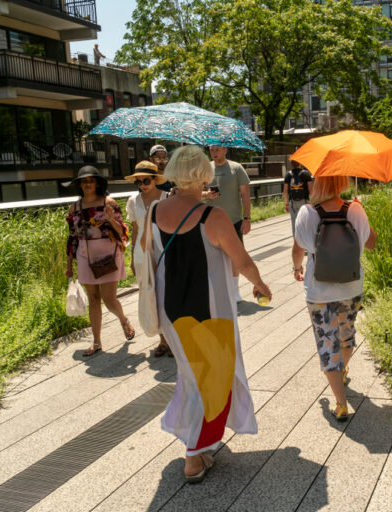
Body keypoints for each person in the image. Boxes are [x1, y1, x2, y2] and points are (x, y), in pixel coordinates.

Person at [151, 145, 271, 483]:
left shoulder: (153, 212)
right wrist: (260, 284)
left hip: (171, 310)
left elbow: (145, 258)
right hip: (210, 311)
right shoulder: (212, 216)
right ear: (205, 174)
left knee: (193, 375)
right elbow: (241, 261)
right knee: (214, 380)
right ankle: (194, 454)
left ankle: (198, 442)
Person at [291, 176, 376, 421]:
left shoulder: (307, 212)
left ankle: (340, 403)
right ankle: (344, 368)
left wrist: (296, 268)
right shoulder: (356, 209)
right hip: (351, 286)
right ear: (342, 182)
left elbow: (298, 248)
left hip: (319, 290)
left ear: (318, 184)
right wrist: (363, 214)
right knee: (346, 332)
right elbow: (371, 244)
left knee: (327, 341)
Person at [65, 166, 134, 357]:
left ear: (97, 183)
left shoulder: (108, 203)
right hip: (84, 255)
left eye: (91, 180)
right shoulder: (74, 207)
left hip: (108, 255)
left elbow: (123, 233)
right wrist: (68, 264)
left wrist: (111, 220)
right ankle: (96, 342)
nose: (88, 184)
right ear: (80, 184)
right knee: (93, 299)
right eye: (84, 181)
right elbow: (71, 237)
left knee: (109, 298)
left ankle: (123, 319)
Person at [125, 160, 172, 358]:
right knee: (149, 294)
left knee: (166, 294)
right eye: (139, 181)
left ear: (155, 179)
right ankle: (162, 340)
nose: (142, 185)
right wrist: (132, 255)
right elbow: (135, 230)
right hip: (141, 254)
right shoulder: (133, 201)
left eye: (146, 180)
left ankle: (172, 339)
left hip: (162, 249)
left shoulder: (166, 198)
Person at [202, 145, 251, 302]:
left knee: (234, 256)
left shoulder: (236, 168)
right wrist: (206, 194)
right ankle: (217, 289)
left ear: (225, 150)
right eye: (211, 150)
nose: (214, 152)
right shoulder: (205, 168)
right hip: (209, 221)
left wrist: (247, 218)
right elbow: (195, 191)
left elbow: (245, 194)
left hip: (233, 220)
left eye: (217, 149)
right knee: (211, 256)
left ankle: (235, 290)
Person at [283, 160, 313, 237]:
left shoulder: (288, 175)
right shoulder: (306, 174)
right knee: (305, 222)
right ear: (300, 163)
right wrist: (313, 202)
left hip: (292, 202)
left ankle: (296, 243)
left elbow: (285, 191)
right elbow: (311, 190)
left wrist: (286, 204)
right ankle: (305, 242)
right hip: (304, 201)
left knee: (294, 223)